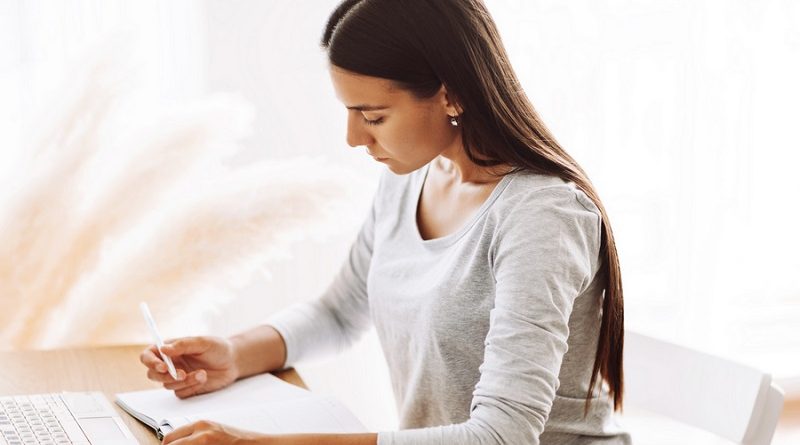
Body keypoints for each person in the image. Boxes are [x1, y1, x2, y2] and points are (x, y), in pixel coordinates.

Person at [140, 1, 630, 444]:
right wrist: (233, 354)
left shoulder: (541, 216)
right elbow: (339, 312)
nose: (353, 138)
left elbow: (501, 435)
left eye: (372, 117)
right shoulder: (409, 179)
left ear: (452, 95)